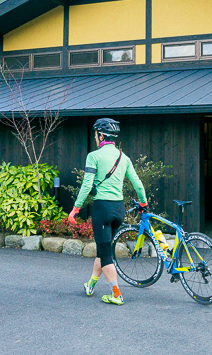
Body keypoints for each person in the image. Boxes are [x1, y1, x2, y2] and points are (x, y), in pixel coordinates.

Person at [68, 118, 147, 306]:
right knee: (103, 249)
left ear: (101, 135)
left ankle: (116, 294)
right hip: (119, 208)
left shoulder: (94, 156)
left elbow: (87, 185)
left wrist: (75, 208)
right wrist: (143, 203)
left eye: (96, 134)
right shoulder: (124, 157)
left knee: (105, 255)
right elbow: (137, 183)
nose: (95, 138)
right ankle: (91, 285)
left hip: (102, 209)